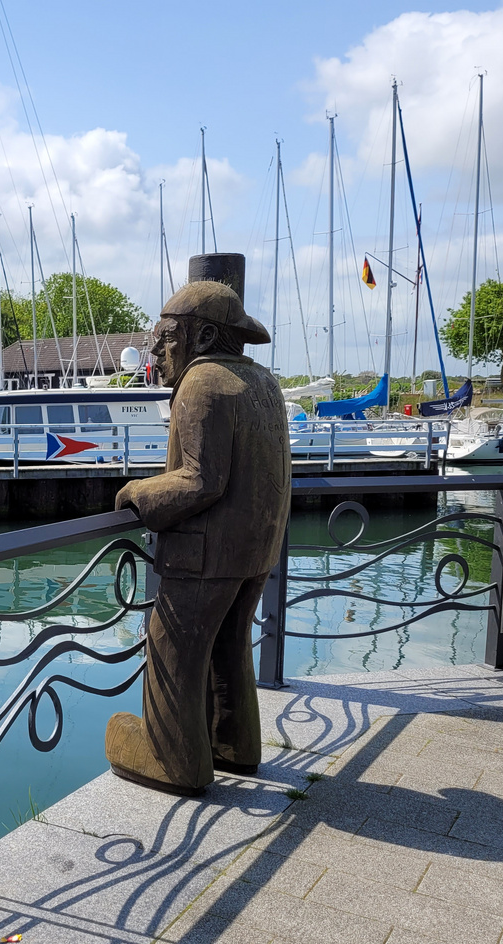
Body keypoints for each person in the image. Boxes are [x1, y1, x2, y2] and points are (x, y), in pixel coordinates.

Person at [105, 271, 290, 796]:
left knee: (173, 653)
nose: (158, 351)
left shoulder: (202, 381)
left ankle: (172, 760)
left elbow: (200, 479)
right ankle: (234, 746)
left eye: (167, 338)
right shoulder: (263, 381)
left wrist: (140, 493)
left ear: (202, 337)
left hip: (205, 552)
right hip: (255, 549)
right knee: (231, 647)